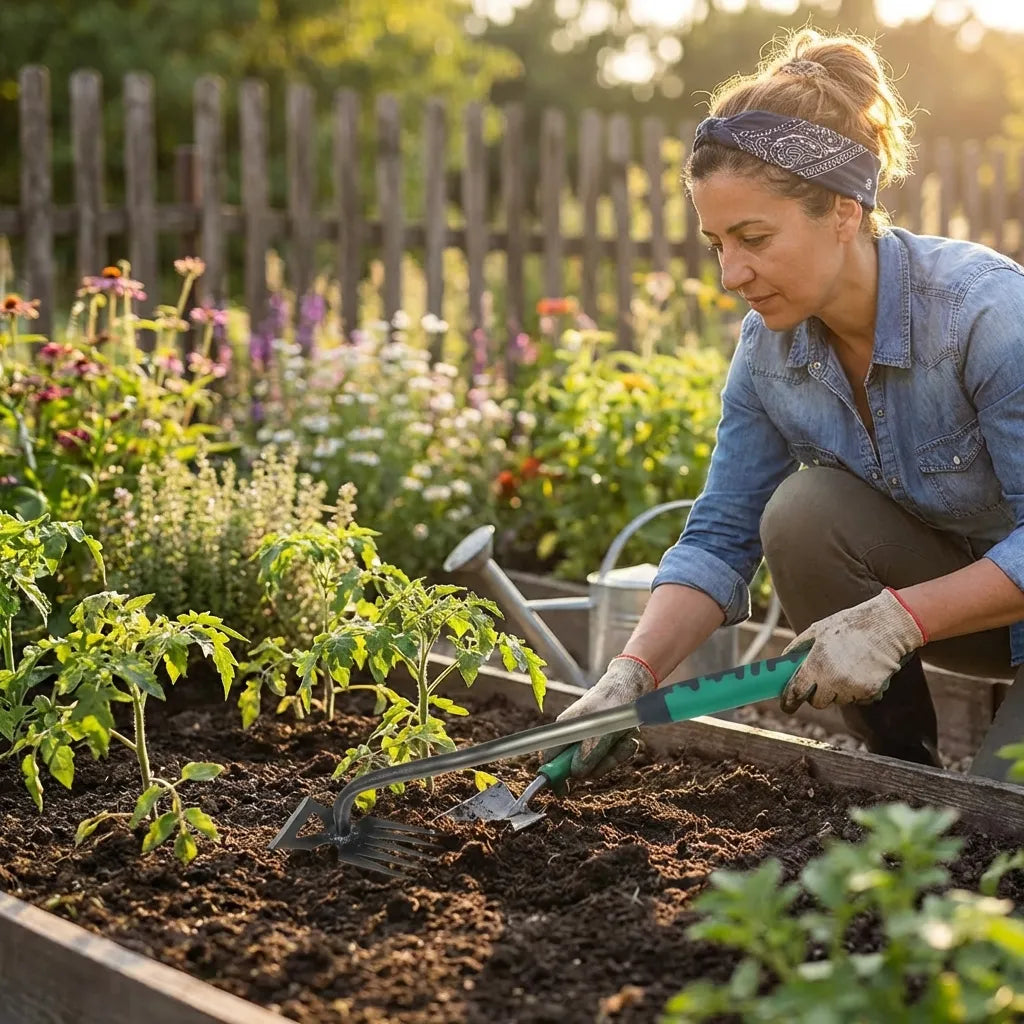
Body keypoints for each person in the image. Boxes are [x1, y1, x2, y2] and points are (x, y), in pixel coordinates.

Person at [546, 27, 1024, 777]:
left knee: (1007, 824)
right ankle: (905, 777)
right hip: (975, 617)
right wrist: (631, 675)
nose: (732, 272)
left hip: (987, 607)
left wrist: (901, 619)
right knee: (801, 514)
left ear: (841, 212)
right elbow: (719, 534)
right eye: (716, 245)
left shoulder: (984, 316)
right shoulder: (769, 350)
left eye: (754, 237)